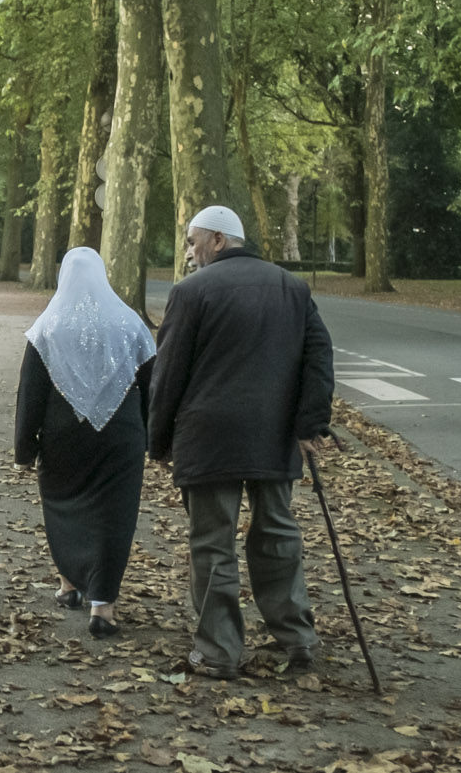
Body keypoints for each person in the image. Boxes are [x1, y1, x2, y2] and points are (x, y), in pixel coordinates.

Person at [148, 205, 335, 680]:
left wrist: (159, 441)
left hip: (209, 435)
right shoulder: (290, 286)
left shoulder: (191, 292)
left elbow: (168, 374)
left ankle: (218, 652)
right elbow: (319, 356)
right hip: (274, 435)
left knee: (213, 543)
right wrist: (308, 425)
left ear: (217, 239)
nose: (188, 253)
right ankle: (297, 641)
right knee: (278, 535)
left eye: (192, 242)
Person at [14, 247, 156, 639]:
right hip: (121, 437)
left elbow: (31, 393)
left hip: (63, 437)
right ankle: (103, 607)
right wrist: (151, 438)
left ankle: (69, 586)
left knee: (65, 508)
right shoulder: (130, 324)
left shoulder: (49, 326)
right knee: (115, 516)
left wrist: (24, 450)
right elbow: (150, 387)